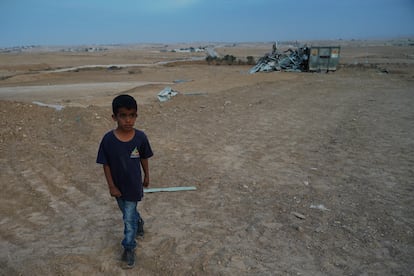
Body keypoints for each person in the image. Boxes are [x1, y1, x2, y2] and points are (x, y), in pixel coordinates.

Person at [96, 94, 153, 269]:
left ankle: (129, 247)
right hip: (118, 188)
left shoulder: (141, 138)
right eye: (123, 116)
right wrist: (111, 186)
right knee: (128, 214)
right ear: (114, 117)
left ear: (136, 116)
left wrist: (147, 176)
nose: (128, 120)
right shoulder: (108, 140)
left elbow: (144, 157)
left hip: (134, 186)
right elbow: (105, 164)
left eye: (132, 115)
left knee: (127, 218)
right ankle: (139, 222)